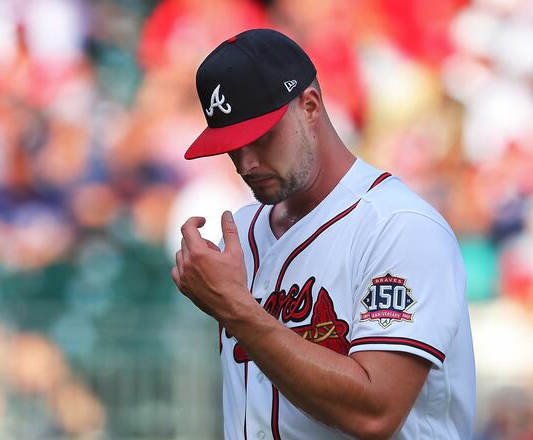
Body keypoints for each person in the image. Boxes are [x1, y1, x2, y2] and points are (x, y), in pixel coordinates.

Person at [171, 28, 475, 440]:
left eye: (259, 137)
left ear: (310, 106)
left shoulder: (398, 227)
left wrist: (235, 308)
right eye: (231, 145)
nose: (245, 162)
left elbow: (376, 413)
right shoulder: (240, 234)